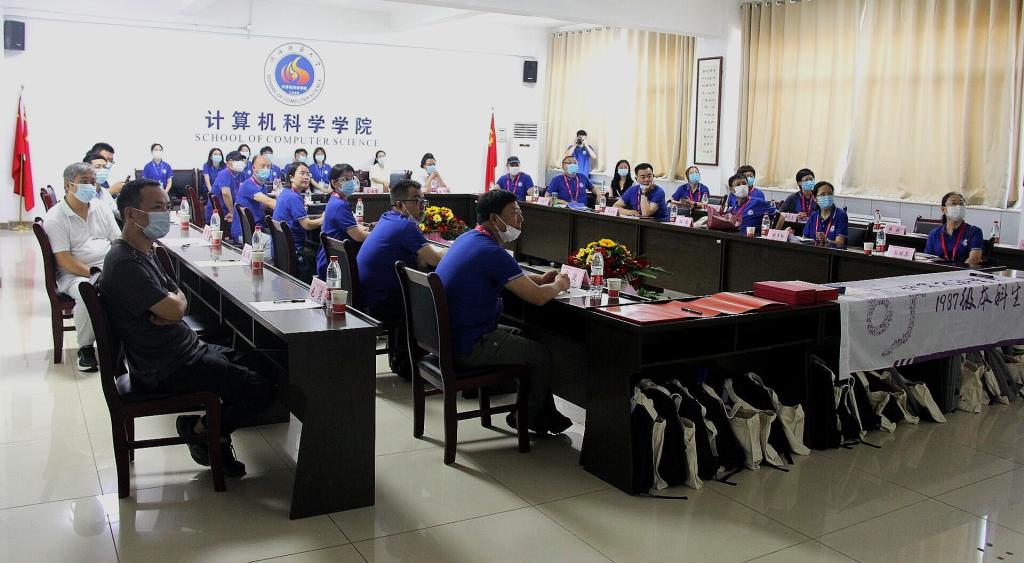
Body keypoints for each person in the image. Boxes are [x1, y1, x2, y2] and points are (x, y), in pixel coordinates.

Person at [102, 179, 274, 476]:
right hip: (166, 366)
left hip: (185, 349)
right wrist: (174, 307)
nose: (165, 214)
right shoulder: (125, 263)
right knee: (261, 389)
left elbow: (179, 297)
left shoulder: (144, 250)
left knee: (264, 363)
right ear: (131, 214)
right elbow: (175, 306)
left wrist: (174, 307)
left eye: (166, 206)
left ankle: (207, 430)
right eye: (157, 208)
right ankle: (203, 431)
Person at [436, 189, 573, 433]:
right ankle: (525, 418)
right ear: (494, 219)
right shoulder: (491, 251)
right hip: (469, 344)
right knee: (541, 355)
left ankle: (544, 414)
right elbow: (538, 298)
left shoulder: (469, 239)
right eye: (514, 213)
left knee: (526, 335)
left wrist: (539, 279)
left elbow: (506, 276)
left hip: (449, 337)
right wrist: (560, 284)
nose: (520, 220)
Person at [357, 179, 446, 379]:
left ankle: (403, 361)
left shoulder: (387, 218)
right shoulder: (405, 227)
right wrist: (454, 250)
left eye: (423, 200)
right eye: (416, 200)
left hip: (367, 295)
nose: (422, 205)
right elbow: (435, 260)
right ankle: (412, 366)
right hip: (380, 301)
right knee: (433, 301)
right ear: (400, 204)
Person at [43, 162, 120, 372]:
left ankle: (125, 342)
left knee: (136, 284)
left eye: (93, 182)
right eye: (84, 182)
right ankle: (86, 349)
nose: (90, 186)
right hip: (74, 273)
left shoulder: (101, 208)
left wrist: (117, 268)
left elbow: (118, 240)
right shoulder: (56, 217)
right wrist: (96, 274)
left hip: (107, 266)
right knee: (88, 293)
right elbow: (64, 260)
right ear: (69, 185)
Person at [315, 164, 371, 279]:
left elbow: (353, 227)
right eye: (346, 179)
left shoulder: (336, 199)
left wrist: (366, 229)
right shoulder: (340, 205)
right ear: (335, 183)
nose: (351, 182)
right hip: (335, 265)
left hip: (333, 259)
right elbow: (358, 236)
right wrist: (378, 234)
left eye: (352, 178)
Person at [271, 162, 324, 282]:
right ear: (291, 177)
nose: (306, 177)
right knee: (322, 253)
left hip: (281, 248)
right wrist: (324, 218)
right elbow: (307, 225)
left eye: (308, 174)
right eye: (302, 173)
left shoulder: (286, 192)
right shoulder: (293, 197)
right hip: (293, 250)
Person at [924, 192, 984, 267]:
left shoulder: (974, 231)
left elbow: (974, 260)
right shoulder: (934, 234)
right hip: (938, 272)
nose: (958, 207)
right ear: (943, 209)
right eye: (953, 203)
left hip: (963, 272)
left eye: (961, 204)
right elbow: (927, 260)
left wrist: (957, 271)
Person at [231, 155, 277, 243]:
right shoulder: (248, 185)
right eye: (262, 166)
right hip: (245, 232)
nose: (266, 169)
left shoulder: (262, 186)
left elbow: (266, 204)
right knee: (278, 243)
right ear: (253, 168)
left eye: (268, 167)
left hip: (257, 228)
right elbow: (268, 202)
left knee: (281, 237)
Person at [207, 151, 247, 228]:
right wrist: (232, 213)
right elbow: (226, 194)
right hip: (218, 214)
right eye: (237, 160)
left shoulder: (240, 174)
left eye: (241, 160)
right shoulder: (224, 174)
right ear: (228, 163)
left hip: (230, 209)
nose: (240, 162)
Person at [800, 181, 848, 247]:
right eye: (823, 194)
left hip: (831, 252)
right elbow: (804, 238)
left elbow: (840, 243)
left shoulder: (841, 215)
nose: (827, 197)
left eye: (830, 194)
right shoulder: (814, 215)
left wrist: (827, 241)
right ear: (815, 198)